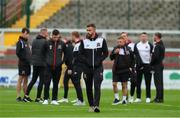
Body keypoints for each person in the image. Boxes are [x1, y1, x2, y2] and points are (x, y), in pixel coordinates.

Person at [79, 24, 108, 112]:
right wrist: (86, 61)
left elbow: (106, 53)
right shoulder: (84, 41)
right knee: (88, 87)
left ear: (94, 30)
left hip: (98, 67)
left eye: (90, 30)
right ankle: (91, 105)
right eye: (87, 30)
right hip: (87, 68)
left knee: (97, 86)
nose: (88, 32)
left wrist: (99, 60)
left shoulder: (101, 40)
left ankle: (96, 106)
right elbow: (80, 54)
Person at [24, 28, 48, 102]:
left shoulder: (34, 40)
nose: (47, 34)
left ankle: (26, 96)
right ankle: (38, 98)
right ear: (43, 33)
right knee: (41, 81)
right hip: (42, 63)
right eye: (47, 33)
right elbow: (47, 52)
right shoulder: (45, 41)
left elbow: (32, 51)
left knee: (33, 80)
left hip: (35, 63)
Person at [42, 29, 66, 105]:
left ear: (59, 36)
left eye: (57, 37)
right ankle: (46, 99)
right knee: (47, 83)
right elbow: (42, 53)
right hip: (48, 67)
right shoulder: (46, 43)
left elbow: (66, 54)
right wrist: (46, 62)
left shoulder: (62, 43)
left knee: (56, 83)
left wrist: (62, 62)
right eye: (54, 37)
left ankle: (54, 99)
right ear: (51, 35)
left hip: (58, 67)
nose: (55, 38)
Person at [110, 36, 135, 105]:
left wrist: (131, 67)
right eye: (118, 42)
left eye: (120, 42)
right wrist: (114, 53)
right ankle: (117, 98)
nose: (119, 43)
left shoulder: (128, 49)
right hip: (116, 70)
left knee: (124, 85)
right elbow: (111, 57)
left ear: (124, 42)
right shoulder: (115, 48)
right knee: (114, 84)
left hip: (125, 70)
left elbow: (133, 59)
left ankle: (124, 100)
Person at [134, 32, 153, 103]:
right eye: (142, 36)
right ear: (140, 37)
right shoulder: (137, 45)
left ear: (147, 37)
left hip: (147, 65)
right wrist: (137, 64)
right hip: (139, 65)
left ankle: (148, 97)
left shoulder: (150, 45)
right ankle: (138, 97)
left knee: (148, 82)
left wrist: (151, 66)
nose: (143, 38)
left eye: (145, 36)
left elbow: (152, 55)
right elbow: (135, 55)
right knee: (138, 82)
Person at [120, 32, 137, 103]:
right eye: (122, 36)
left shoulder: (132, 45)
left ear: (127, 37)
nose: (123, 37)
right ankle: (125, 98)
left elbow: (135, 55)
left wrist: (133, 65)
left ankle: (131, 96)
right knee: (124, 83)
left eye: (124, 36)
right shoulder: (120, 46)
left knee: (133, 81)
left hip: (132, 67)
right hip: (123, 67)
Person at [16, 28, 31, 102]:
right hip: (22, 64)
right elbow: (18, 52)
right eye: (27, 34)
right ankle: (18, 96)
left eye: (28, 34)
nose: (28, 35)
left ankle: (25, 96)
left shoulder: (27, 42)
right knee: (20, 79)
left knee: (26, 80)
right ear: (23, 33)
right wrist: (24, 60)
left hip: (28, 64)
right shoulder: (20, 42)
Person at [151, 32, 165, 103]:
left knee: (158, 82)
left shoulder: (158, 45)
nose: (153, 37)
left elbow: (155, 57)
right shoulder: (161, 44)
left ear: (156, 37)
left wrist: (151, 63)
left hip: (157, 66)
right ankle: (160, 97)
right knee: (160, 82)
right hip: (160, 65)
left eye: (154, 36)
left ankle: (158, 98)